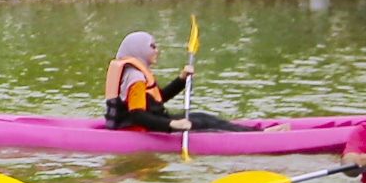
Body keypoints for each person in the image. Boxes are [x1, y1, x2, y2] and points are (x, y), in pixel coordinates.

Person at [102, 31, 256, 133]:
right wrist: (171, 125)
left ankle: (255, 131)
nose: (157, 50)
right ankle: (256, 136)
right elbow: (137, 115)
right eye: (152, 46)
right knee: (202, 124)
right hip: (140, 128)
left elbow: (157, 99)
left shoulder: (136, 73)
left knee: (201, 116)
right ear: (139, 49)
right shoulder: (135, 77)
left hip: (151, 122)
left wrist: (181, 80)